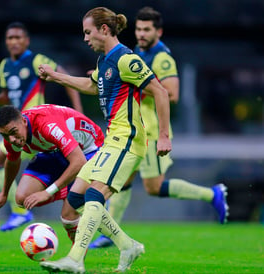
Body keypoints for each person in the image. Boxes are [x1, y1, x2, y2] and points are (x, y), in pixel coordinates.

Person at [37, 7, 172, 273]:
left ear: (104, 30)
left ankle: (75, 260)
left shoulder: (125, 59)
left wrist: (164, 136)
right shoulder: (104, 61)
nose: (86, 38)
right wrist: (55, 76)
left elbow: (160, 92)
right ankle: (127, 245)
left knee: (95, 194)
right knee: (76, 198)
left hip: (127, 140)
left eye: (88, 32)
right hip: (111, 141)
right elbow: (91, 85)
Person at [89, 6, 229, 249]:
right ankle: (109, 234)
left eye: (147, 30)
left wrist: (134, 83)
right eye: (139, 29)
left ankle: (212, 195)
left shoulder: (162, 57)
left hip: (151, 131)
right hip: (133, 129)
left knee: (153, 187)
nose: (141, 34)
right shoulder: (134, 54)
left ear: (159, 32)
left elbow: (171, 93)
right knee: (121, 180)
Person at [0, 21, 83, 232]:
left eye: (18, 37)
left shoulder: (36, 60)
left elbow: (63, 76)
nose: (14, 41)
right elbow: (10, 99)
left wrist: (78, 110)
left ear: (26, 40)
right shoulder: (5, 66)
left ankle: (21, 211)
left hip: (36, 127)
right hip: (16, 129)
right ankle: (22, 209)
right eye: (10, 38)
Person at [0, 104, 104, 242]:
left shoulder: (48, 125)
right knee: (21, 198)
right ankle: (68, 191)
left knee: (68, 217)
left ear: (24, 122)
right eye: (5, 135)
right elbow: (12, 161)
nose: (11, 139)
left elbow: (79, 161)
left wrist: (48, 192)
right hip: (55, 150)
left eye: (13, 132)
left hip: (89, 150)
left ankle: (76, 259)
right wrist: (5, 194)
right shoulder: (11, 135)